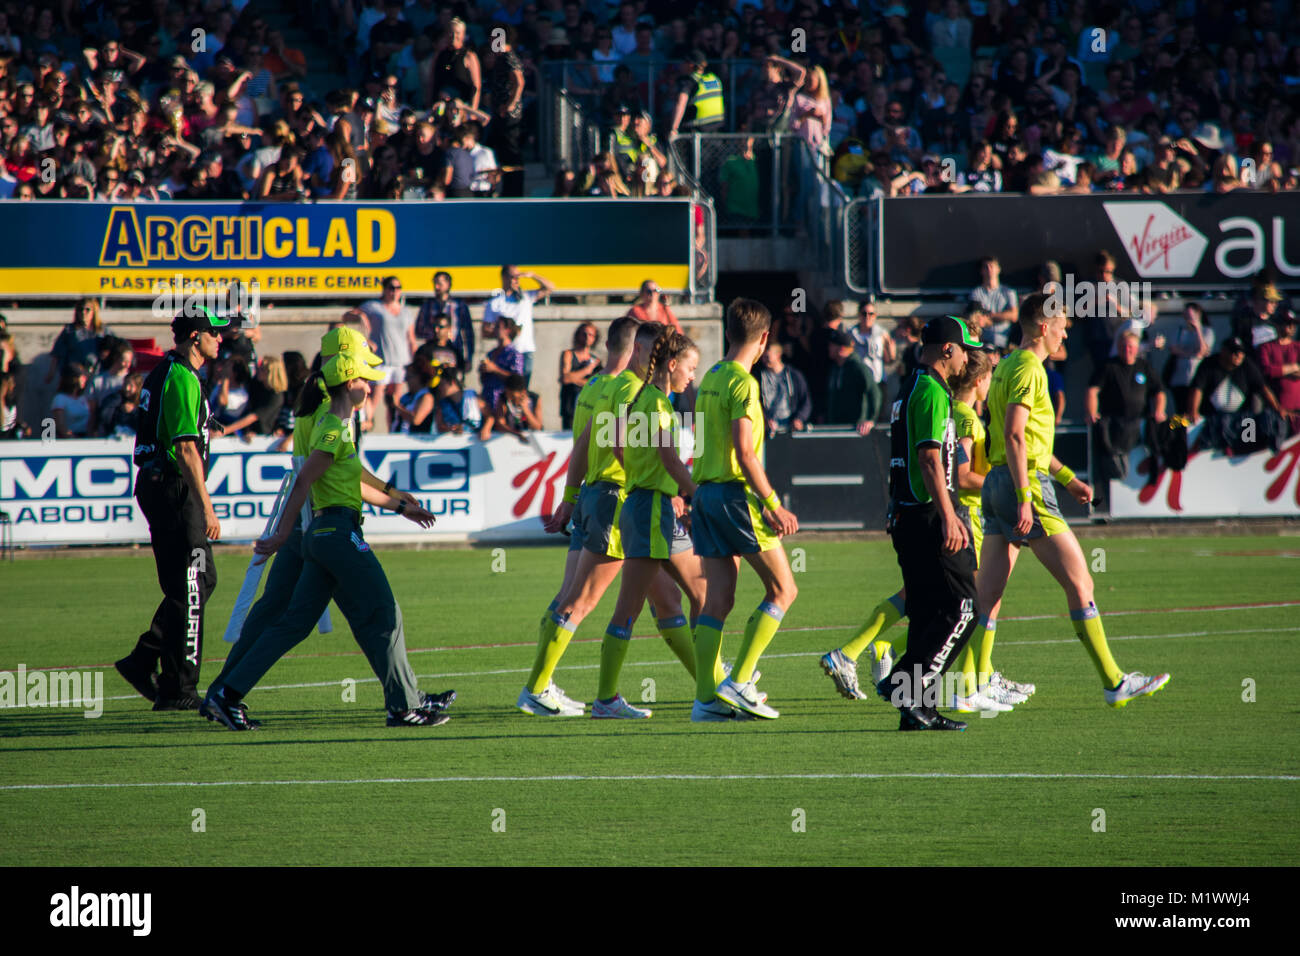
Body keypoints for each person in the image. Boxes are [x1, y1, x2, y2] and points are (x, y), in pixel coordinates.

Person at [201, 349, 451, 730]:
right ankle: (402, 707)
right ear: (350, 384)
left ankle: (227, 694)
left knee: (294, 623)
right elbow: (304, 481)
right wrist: (282, 533)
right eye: (365, 380)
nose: (370, 386)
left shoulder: (333, 425)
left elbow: (348, 481)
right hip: (336, 534)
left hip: (325, 535)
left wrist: (400, 505)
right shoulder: (333, 426)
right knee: (384, 611)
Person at [978, 293, 1170, 709]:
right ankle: (1114, 681)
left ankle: (971, 683)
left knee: (986, 595)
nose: (1066, 331)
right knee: (1081, 583)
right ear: (1044, 327)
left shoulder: (1008, 364)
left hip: (996, 484)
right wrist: (1027, 498)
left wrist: (1068, 480)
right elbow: (1014, 434)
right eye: (1062, 324)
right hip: (1020, 485)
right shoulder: (1031, 368)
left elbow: (1023, 440)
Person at [530, 322, 700, 716]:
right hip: (621, 500)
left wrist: (572, 499)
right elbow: (621, 444)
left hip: (601, 496)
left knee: (667, 599)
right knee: (584, 601)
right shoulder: (636, 391)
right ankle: (541, 687)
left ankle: (711, 685)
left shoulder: (598, 386)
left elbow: (586, 442)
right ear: (646, 353)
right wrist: (665, 485)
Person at [115, 307, 231, 712]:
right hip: (172, 488)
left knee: (190, 583)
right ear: (195, 336)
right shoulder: (183, 377)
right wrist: (208, 508)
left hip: (155, 483)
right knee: (195, 583)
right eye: (215, 334)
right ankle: (177, 687)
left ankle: (148, 663)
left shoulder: (164, 372)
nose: (221, 339)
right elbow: (184, 448)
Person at [689, 298, 799, 722]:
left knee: (717, 600)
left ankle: (706, 700)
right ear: (765, 338)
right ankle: (740, 679)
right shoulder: (742, 383)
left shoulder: (712, 376)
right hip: (736, 497)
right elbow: (745, 451)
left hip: (705, 495)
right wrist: (773, 503)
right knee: (783, 590)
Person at [872, 317, 985, 731]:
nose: (968, 359)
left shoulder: (908, 387)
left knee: (926, 610)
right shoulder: (933, 391)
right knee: (964, 608)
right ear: (947, 350)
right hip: (929, 515)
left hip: (908, 513)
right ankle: (906, 687)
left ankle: (915, 707)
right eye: (965, 350)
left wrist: (893, 503)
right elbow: (928, 458)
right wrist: (950, 516)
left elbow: (899, 455)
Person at [591, 328, 706, 718]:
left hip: (653, 507)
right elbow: (671, 460)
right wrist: (695, 493)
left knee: (704, 594)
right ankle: (605, 700)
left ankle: (713, 687)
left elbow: (619, 443)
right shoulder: (657, 405)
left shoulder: (645, 400)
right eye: (689, 367)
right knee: (628, 609)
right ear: (672, 365)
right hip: (648, 510)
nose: (692, 375)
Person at [1086, 330, 1168, 486]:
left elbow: (1159, 392)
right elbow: (1092, 390)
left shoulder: (1144, 366)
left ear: (1137, 348)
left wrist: (1159, 411)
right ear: (1117, 347)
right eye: (1123, 346)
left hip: (1139, 421)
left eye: (1130, 346)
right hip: (1115, 423)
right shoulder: (1109, 366)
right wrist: (1091, 412)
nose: (1127, 350)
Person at [358, 275, 418, 427]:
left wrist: (415, 360)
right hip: (382, 360)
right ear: (385, 289)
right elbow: (350, 314)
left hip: (401, 362)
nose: (395, 291)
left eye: (398, 288)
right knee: (375, 395)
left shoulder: (406, 312)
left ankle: (393, 428)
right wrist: (361, 317)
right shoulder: (373, 306)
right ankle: (366, 422)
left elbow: (411, 338)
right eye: (391, 288)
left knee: (395, 401)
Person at [482, 264, 554, 386]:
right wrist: (503, 333)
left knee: (521, 389)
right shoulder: (494, 303)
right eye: (512, 276)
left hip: (524, 350)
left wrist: (532, 275)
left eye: (518, 277)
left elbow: (550, 288)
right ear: (504, 277)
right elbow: (485, 331)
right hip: (505, 352)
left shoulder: (526, 297)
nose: (516, 280)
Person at [824, 327, 881, 435]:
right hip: (837, 429)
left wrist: (870, 419)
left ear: (841, 349)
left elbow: (875, 393)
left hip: (855, 430)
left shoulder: (859, 368)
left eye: (832, 345)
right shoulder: (834, 369)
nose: (829, 348)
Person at [414, 270, 474, 367]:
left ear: (448, 284)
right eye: (435, 283)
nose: (437, 287)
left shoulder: (459, 306)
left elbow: (468, 333)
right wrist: (436, 333)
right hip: (433, 352)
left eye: (440, 284)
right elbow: (418, 330)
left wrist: (469, 357)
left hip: (455, 350)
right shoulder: (428, 305)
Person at [1167, 302, 1215, 415]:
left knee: (1197, 411)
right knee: (1181, 412)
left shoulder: (1207, 331)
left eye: (1191, 315)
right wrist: (1192, 353)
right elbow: (1173, 349)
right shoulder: (1179, 331)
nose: (1188, 318)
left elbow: (1202, 350)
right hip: (1180, 379)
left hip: (1198, 379)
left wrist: (1197, 329)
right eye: (1186, 315)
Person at [1257, 310, 1300, 436]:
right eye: (1288, 324)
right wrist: (1293, 367)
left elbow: (1273, 371)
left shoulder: (1298, 346)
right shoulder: (1266, 347)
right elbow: (1267, 371)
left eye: (1293, 324)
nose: (1292, 327)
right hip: (1276, 410)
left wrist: (1279, 370)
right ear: (1277, 325)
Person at [758, 340, 811, 436]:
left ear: (778, 355)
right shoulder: (758, 377)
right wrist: (764, 419)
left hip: (790, 429)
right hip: (767, 430)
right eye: (763, 356)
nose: (764, 359)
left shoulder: (794, 376)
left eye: (767, 356)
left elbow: (806, 402)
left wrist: (799, 418)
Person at [668, 50, 724, 138]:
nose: (681, 65)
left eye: (684, 62)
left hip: (697, 129)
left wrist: (673, 128)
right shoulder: (714, 78)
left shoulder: (689, 81)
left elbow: (680, 104)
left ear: (691, 64)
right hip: (717, 128)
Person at [559, 321, 601, 430]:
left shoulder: (596, 361)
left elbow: (596, 384)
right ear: (578, 335)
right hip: (569, 405)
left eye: (591, 335)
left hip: (587, 406)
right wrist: (587, 370)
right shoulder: (568, 354)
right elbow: (565, 378)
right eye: (584, 334)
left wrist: (573, 378)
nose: (587, 337)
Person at [391, 362, 437, 435]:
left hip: (414, 443)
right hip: (398, 440)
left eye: (409, 377)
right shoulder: (407, 397)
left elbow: (416, 420)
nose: (406, 380)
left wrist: (397, 406)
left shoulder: (426, 397)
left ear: (419, 377)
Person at [48, 364, 92, 437]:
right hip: (70, 441)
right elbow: (60, 425)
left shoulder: (84, 398)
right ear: (74, 379)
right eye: (82, 377)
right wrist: (73, 439)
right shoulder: (60, 399)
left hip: (86, 439)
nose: (85, 379)